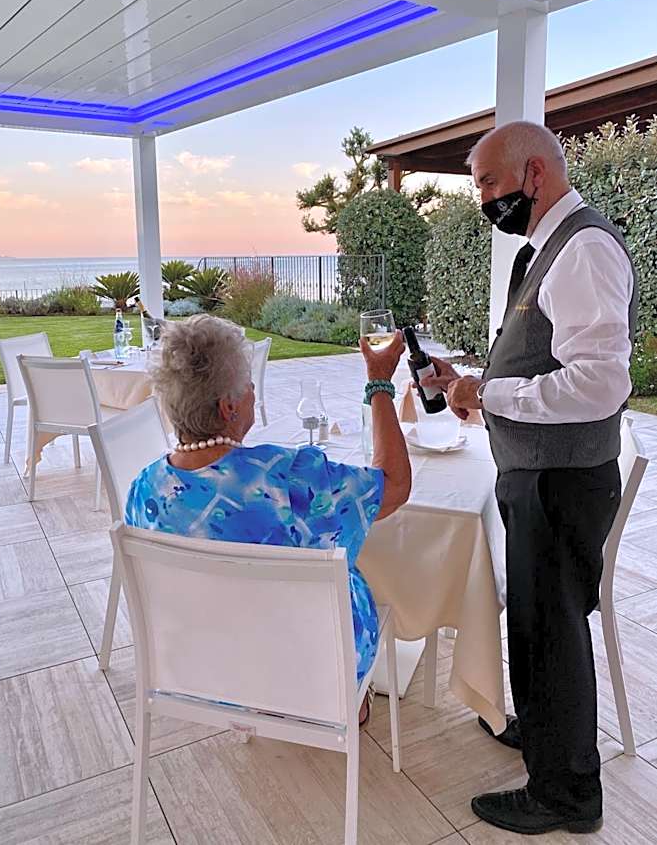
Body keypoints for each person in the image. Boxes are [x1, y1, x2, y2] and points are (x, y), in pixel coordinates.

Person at [421, 120, 636, 835]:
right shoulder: (548, 248)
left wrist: (489, 393)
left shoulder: (582, 250)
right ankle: (547, 737)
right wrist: (472, 383)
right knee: (539, 623)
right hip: (540, 473)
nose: (483, 198)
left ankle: (566, 793)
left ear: (534, 173)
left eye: (488, 182)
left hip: (558, 480)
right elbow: (544, 359)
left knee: (550, 630)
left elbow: (599, 383)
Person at [125, 314, 411, 723]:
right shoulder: (287, 476)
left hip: (202, 669)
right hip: (307, 670)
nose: (254, 392)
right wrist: (379, 382)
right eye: (248, 385)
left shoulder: (143, 488)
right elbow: (395, 484)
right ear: (228, 407)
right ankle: (348, 701)